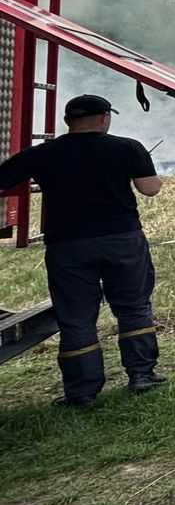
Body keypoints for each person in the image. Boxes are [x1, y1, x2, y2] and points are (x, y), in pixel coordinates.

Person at [0, 94, 164, 406]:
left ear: (67, 121)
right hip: (122, 239)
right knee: (133, 306)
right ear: (105, 118)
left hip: (68, 244)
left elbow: (4, 178)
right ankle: (142, 375)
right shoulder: (128, 147)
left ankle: (82, 392)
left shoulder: (43, 153)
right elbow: (150, 188)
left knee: (76, 317)